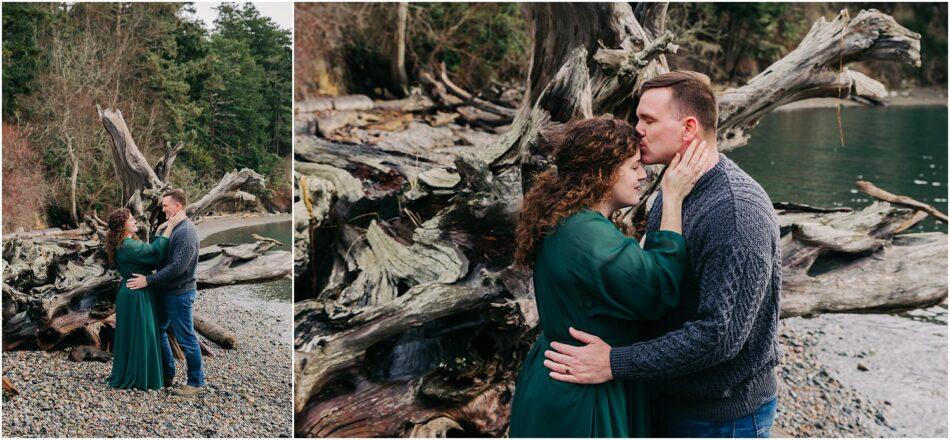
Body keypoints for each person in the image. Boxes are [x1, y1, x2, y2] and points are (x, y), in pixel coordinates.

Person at [543, 71, 783, 438]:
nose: (636, 129)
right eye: (638, 118)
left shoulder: (735, 211)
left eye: (648, 120)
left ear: (688, 128)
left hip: (718, 418)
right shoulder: (675, 188)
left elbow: (718, 336)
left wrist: (614, 362)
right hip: (665, 397)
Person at [508, 114, 707, 437]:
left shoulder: (569, 220)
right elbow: (657, 290)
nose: (643, 175)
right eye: (633, 167)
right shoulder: (584, 233)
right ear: (599, 173)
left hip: (562, 377)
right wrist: (672, 199)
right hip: (581, 392)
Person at [127, 189, 205, 397]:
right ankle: (168, 374)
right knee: (160, 330)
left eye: (165, 205)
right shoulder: (172, 228)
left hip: (180, 294)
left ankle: (196, 383)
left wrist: (148, 279)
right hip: (166, 292)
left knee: (186, 337)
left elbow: (178, 267)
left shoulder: (187, 231)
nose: (162, 209)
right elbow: (161, 255)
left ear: (178, 206)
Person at [105, 206, 184, 390]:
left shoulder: (122, 243)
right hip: (137, 292)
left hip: (130, 290)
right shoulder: (128, 245)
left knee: (134, 333)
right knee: (144, 332)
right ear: (122, 225)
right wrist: (170, 227)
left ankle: (137, 371)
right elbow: (153, 254)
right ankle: (142, 377)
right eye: (131, 219)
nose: (134, 221)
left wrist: (160, 230)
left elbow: (148, 249)